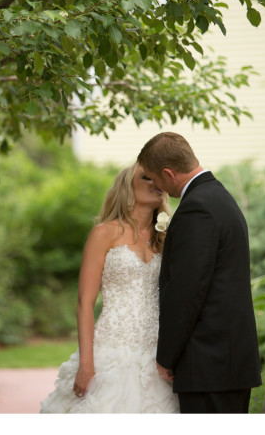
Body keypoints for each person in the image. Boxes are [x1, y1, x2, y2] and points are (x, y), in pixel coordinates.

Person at [137, 132, 261, 414]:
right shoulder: (218, 196)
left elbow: (187, 291)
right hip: (225, 363)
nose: (158, 187)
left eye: (156, 179)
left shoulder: (197, 208)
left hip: (209, 363)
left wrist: (167, 356)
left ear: (169, 173)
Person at [40, 163, 179, 413]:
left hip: (158, 353)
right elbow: (85, 303)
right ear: (127, 188)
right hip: (111, 350)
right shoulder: (104, 233)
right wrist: (86, 363)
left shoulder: (167, 237)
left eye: (158, 178)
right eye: (146, 178)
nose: (156, 183)